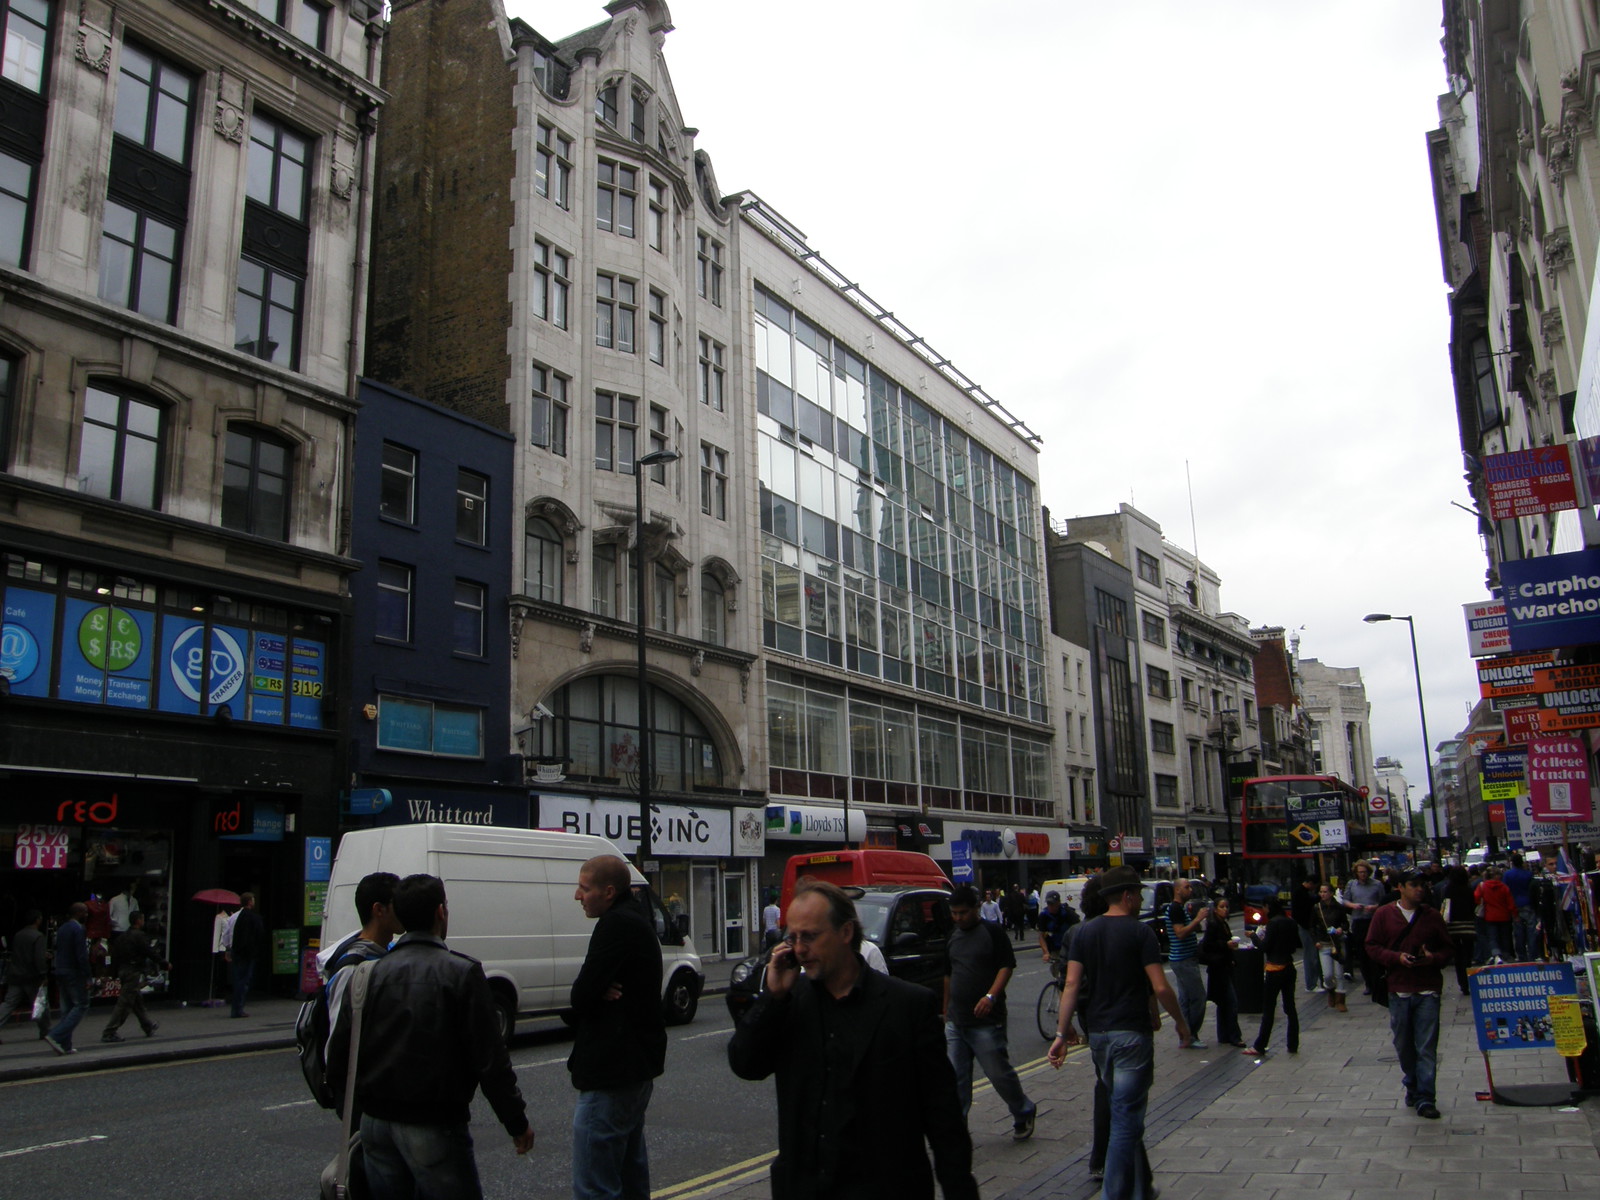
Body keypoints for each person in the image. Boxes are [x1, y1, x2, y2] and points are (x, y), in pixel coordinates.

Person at [728, 880, 978, 1200]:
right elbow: (745, 1064)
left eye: (811, 936)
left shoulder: (908, 1006)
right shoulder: (789, 1002)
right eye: (793, 937)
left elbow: (943, 1118)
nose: (799, 949)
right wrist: (772, 997)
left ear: (846, 933)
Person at [326, 873, 534, 1196]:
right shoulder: (461, 973)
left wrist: (357, 1117)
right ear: (441, 912)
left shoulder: (367, 973)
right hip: (433, 1122)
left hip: (376, 1125)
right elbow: (490, 1060)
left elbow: (339, 1055)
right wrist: (516, 1122)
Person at [1048, 867, 1188, 1200]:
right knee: (1126, 1121)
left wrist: (1061, 1033)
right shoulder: (1141, 934)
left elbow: (1070, 984)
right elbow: (1160, 986)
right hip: (1132, 1036)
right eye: (1138, 894)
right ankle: (1113, 1194)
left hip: (1099, 1036)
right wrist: (1181, 1023)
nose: (1140, 899)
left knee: (1123, 1111)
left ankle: (1140, 1189)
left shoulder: (1083, 933)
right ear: (1126, 896)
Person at [569, 856, 666, 1200]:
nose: (577, 896)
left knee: (596, 1185)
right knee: (629, 1177)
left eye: (584, 888)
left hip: (611, 1072)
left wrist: (592, 989)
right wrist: (596, 987)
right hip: (634, 1068)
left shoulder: (615, 925)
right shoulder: (635, 920)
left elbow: (580, 996)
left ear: (608, 892)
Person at [942, 884, 1036, 1140]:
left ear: (975, 909)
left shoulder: (992, 932)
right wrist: (946, 1011)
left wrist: (991, 997)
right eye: (954, 913)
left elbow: (1006, 966)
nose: (958, 918)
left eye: (962, 912)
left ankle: (1023, 1111)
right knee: (956, 1079)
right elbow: (948, 975)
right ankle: (957, 1130)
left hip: (986, 1021)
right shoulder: (953, 936)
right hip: (956, 1022)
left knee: (997, 1073)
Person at [1365, 870, 1453, 1119]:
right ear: (1400, 887)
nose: (1420, 890)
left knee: (1426, 1046)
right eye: (1413, 885)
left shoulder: (1432, 916)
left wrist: (1433, 957)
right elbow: (1371, 946)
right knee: (1403, 1045)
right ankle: (1412, 1085)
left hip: (1428, 989)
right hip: (1398, 989)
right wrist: (1396, 958)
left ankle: (1426, 1097)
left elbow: (1448, 949)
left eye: (1422, 885)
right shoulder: (1384, 915)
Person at [1242, 898, 1300, 1057]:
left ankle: (1260, 1045)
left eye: (1264, 908)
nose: (1263, 911)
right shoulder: (1290, 922)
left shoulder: (1273, 924)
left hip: (1275, 969)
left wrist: (1254, 936)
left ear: (1268, 907)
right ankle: (1293, 1043)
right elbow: (1295, 945)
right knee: (1290, 1007)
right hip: (1289, 967)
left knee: (1269, 1009)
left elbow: (1264, 947)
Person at [100, 910, 164, 1041]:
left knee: (136, 1001)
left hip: (122, 971)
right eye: (142, 919)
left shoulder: (122, 937)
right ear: (138, 921)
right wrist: (163, 963)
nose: (143, 922)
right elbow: (149, 952)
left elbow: (115, 956)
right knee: (125, 1003)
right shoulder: (139, 936)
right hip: (132, 972)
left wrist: (112, 974)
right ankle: (109, 1031)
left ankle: (148, 1025)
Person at [1163, 879, 1210, 1049]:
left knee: (1185, 999)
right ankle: (1191, 1034)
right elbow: (1180, 933)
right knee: (1198, 998)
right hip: (1184, 960)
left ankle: (1185, 1035)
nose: (1190, 890)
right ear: (1177, 890)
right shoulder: (1175, 909)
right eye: (1186, 887)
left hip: (1183, 959)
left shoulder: (1178, 908)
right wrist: (1197, 919)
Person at [1197, 896, 1245, 1048]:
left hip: (1224, 967)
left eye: (1227, 907)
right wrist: (1226, 944)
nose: (1225, 909)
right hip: (1219, 969)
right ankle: (1234, 1036)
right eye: (1222, 907)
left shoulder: (1222, 923)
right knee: (1231, 1002)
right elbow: (1208, 945)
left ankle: (1223, 1035)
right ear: (1215, 909)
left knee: (1224, 1003)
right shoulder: (1213, 924)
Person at [44, 902, 90, 1055]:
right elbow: (81, 955)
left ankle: (65, 1045)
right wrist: (87, 976)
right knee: (81, 1005)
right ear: (78, 913)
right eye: (85, 912)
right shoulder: (78, 929)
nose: (87, 915)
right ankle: (55, 1036)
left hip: (60, 970)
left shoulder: (62, 928)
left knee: (67, 1008)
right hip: (74, 972)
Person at [0, 910, 50, 1043]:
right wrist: (43, 974)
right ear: (37, 920)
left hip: (16, 974)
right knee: (40, 1003)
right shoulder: (38, 936)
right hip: (32, 976)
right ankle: (45, 1032)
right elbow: (38, 958)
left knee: (8, 1003)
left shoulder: (18, 934)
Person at [1340, 861, 1385, 995]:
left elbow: (1384, 902)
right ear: (1356, 873)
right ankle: (1369, 984)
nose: (1363, 874)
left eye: (1365, 872)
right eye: (1360, 872)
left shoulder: (1377, 884)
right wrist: (1353, 906)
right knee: (1362, 954)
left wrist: (1374, 907)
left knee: (1375, 953)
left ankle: (1379, 982)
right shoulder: (1351, 884)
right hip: (1358, 921)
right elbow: (1345, 900)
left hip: (1373, 921)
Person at [226, 892, 264, 1018]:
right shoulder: (253, 918)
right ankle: (238, 1008)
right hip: (247, 954)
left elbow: (228, 934)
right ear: (250, 902)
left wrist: (228, 949)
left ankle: (236, 1008)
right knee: (244, 981)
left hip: (236, 952)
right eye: (253, 900)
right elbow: (258, 936)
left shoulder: (235, 917)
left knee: (237, 979)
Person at [1312, 883, 1349, 1012]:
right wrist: (1316, 940)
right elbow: (1313, 926)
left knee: (1339, 973)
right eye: (1321, 892)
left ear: (1331, 893)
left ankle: (1340, 1001)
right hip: (1324, 944)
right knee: (1327, 975)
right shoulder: (1317, 908)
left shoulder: (1338, 907)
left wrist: (1340, 929)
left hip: (1337, 943)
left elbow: (1345, 923)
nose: (1323, 894)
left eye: (1325, 892)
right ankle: (1331, 990)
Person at [1441, 867, 1478, 994]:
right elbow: (1473, 905)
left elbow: (1445, 907)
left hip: (1453, 927)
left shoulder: (1448, 890)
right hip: (1467, 925)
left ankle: (1463, 984)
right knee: (1468, 955)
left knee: (1458, 956)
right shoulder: (1468, 889)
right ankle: (1469, 979)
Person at [1290, 877, 1323, 994]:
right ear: (1309, 883)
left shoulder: (1301, 892)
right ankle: (1311, 984)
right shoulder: (1301, 893)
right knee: (1311, 955)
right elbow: (1305, 907)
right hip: (1306, 927)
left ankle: (1316, 982)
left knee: (1314, 955)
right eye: (1314, 886)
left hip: (1308, 927)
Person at [1501, 853, 1536, 961]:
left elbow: (1505, 890)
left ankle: (1521, 955)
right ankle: (1533, 954)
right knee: (1531, 930)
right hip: (1528, 904)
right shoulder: (1528, 874)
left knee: (1518, 932)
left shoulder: (1508, 875)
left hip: (1514, 905)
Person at [1476, 867, 1515, 963]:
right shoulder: (1504, 887)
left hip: (1490, 916)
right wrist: (1514, 914)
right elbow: (1510, 903)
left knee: (1492, 937)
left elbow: (1476, 898)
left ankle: (1496, 954)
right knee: (1504, 936)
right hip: (1504, 916)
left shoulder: (1483, 886)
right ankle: (1506, 954)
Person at [1036, 890, 1075, 964]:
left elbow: (1077, 929)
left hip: (1069, 948)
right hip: (1054, 949)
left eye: (1052, 904)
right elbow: (1041, 936)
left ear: (1058, 903)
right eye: (1048, 904)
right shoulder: (1044, 915)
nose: (1050, 906)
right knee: (1058, 970)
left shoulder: (1067, 912)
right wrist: (1046, 952)